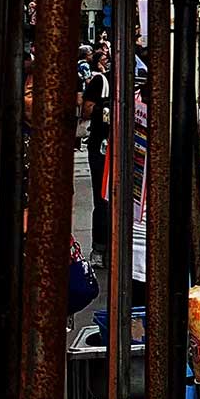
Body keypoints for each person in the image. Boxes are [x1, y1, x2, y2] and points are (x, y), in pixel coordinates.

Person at [80, 41, 113, 262]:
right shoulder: (101, 81)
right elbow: (86, 109)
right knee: (102, 198)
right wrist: (106, 108)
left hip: (118, 147)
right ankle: (99, 248)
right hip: (100, 147)